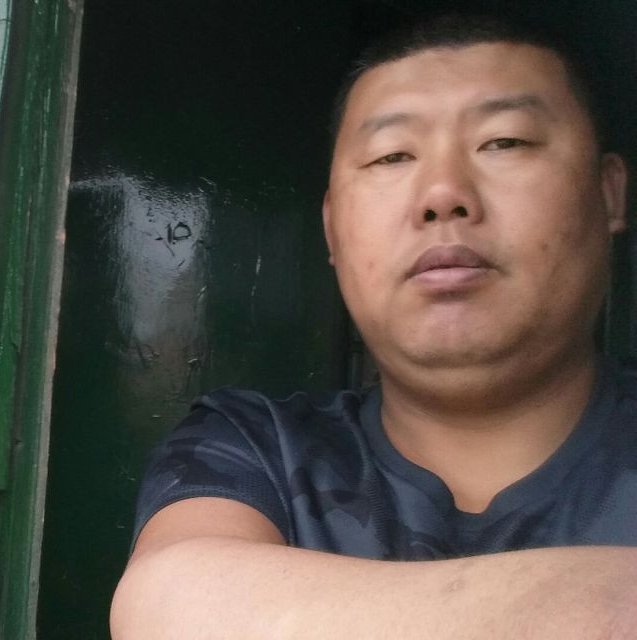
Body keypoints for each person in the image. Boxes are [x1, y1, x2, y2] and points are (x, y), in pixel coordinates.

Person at [110, 13, 637, 639]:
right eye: (392, 155)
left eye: (505, 142)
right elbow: (175, 609)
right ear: (332, 228)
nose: (443, 194)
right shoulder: (256, 449)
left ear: (609, 193)